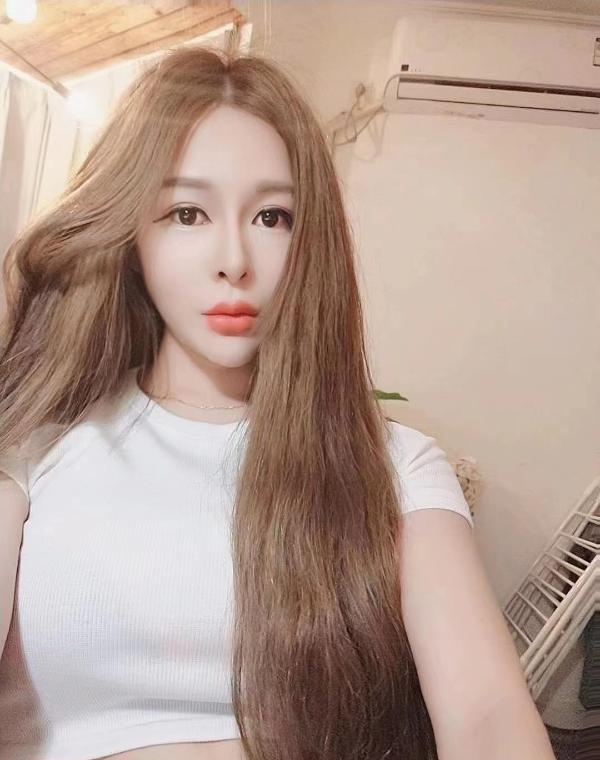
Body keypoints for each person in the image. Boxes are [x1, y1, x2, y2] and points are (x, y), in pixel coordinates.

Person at [0, 45, 555, 760]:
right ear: (130, 231)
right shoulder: (34, 451)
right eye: (187, 212)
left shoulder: (396, 467)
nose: (234, 259)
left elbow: (487, 719)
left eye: (272, 217)